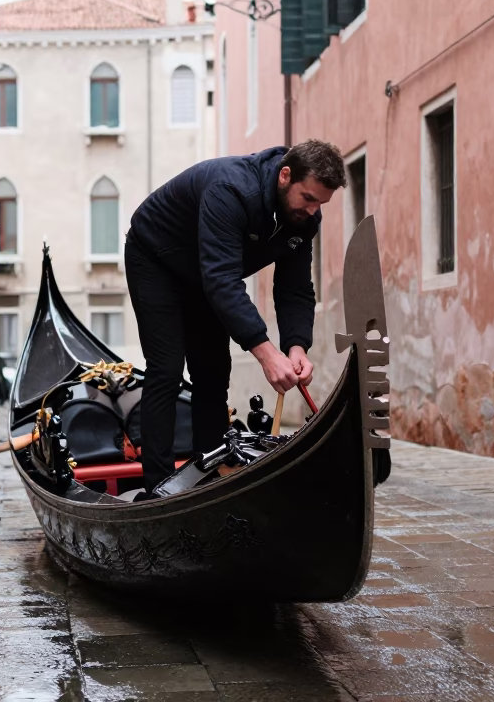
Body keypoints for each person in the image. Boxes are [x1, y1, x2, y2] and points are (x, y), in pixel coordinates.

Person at [124, 140, 347, 497]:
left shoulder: (304, 219)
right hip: (155, 259)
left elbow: (295, 289)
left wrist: (295, 346)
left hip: (205, 274)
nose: (313, 210)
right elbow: (222, 279)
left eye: (321, 203)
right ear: (285, 176)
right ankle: (158, 488)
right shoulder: (231, 189)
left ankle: (208, 475)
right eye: (308, 198)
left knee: (212, 370)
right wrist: (265, 352)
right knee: (166, 369)